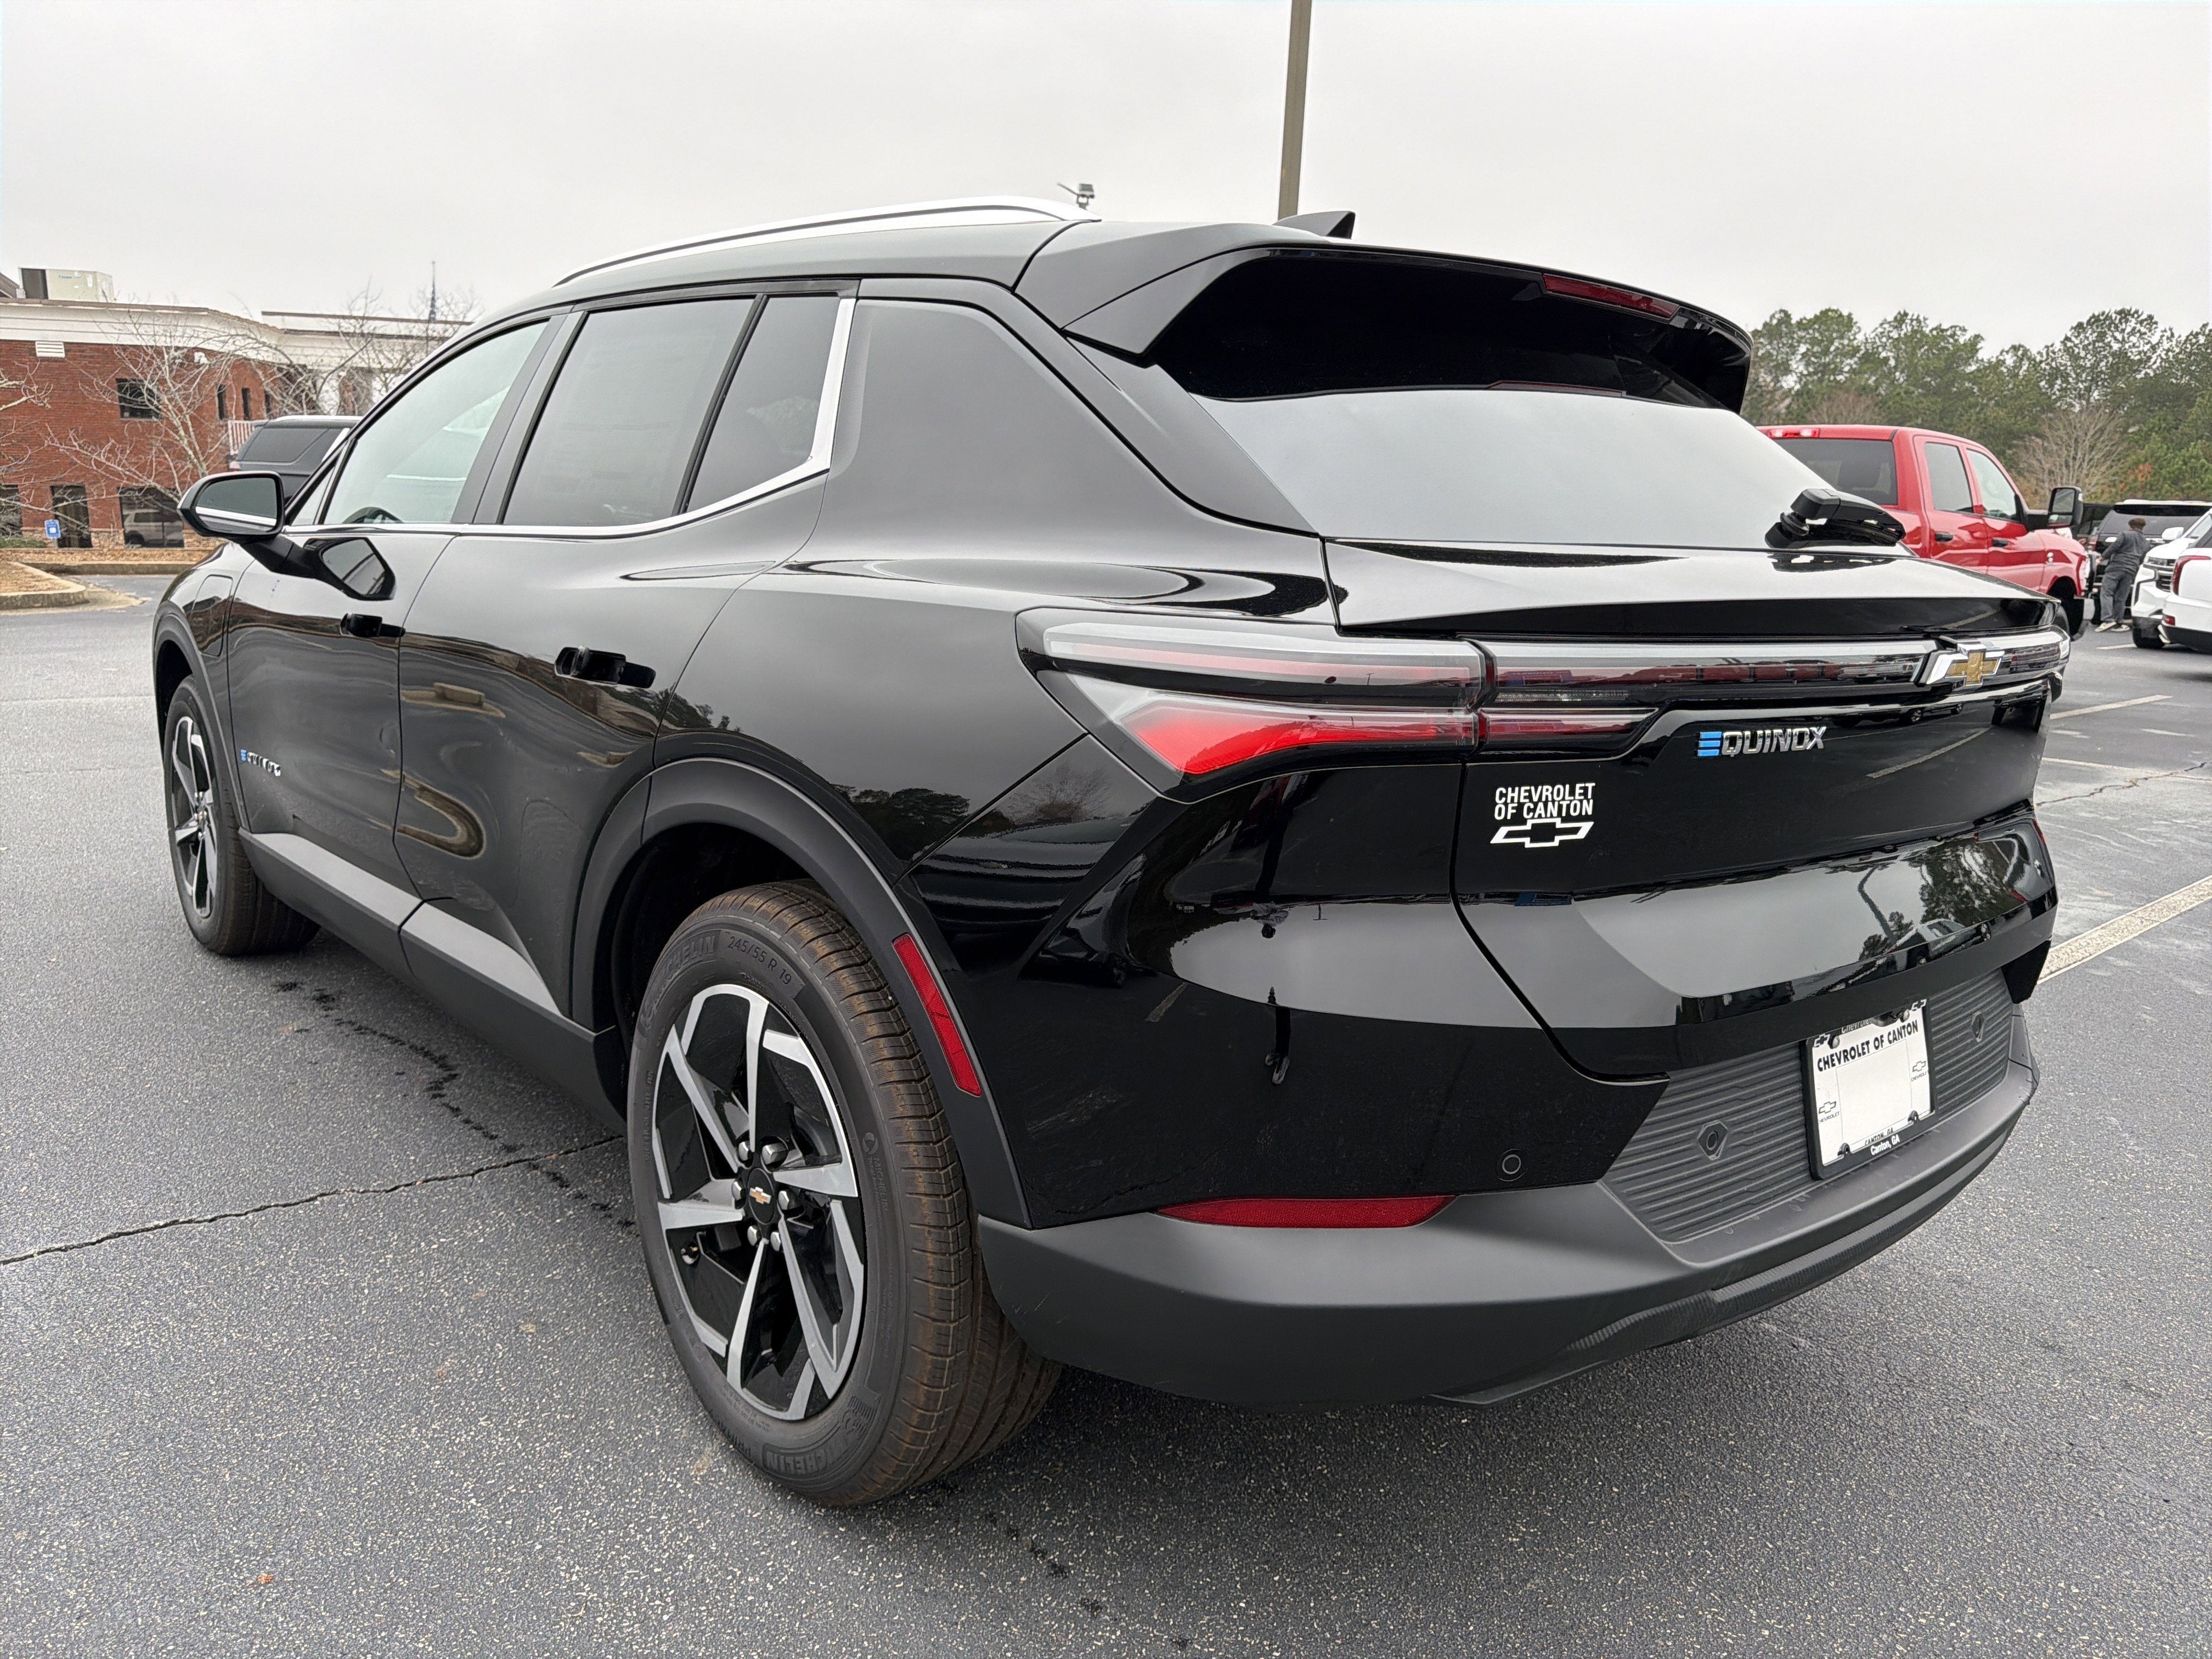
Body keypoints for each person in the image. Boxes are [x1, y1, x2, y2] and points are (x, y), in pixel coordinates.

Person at [2100, 517, 2151, 630]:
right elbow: (2143, 557)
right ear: (2143, 528)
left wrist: (2101, 558)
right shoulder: (2146, 542)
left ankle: (2108, 620)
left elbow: (2114, 547)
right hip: (2131, 569)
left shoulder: (2125, 535)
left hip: (2116, 567)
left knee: (2107, 593)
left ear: (2130, 527)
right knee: (2121, 597)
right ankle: (2118, 621)